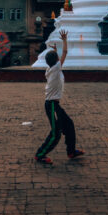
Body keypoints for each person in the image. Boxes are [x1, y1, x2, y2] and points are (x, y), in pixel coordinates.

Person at [34, 30, 84, 164]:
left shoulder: (51, 69)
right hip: (51, 105)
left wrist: (55, 50)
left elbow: (57, 57)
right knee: (56, 133)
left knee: (69, 124)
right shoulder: (56, 69)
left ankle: (71, 151)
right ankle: (40, 154)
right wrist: (64, 40)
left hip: (55, 105)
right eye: (57, 58)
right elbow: (65, 53)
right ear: (56, 61)